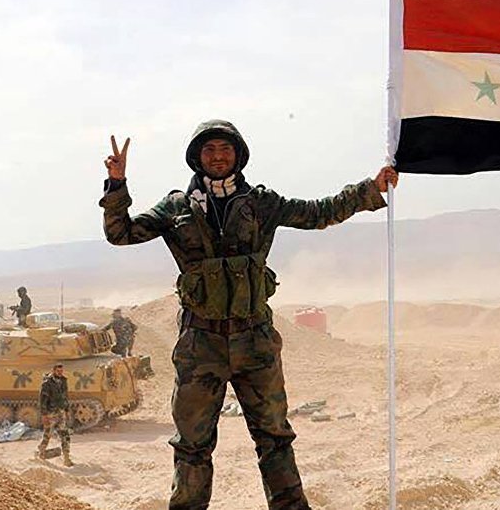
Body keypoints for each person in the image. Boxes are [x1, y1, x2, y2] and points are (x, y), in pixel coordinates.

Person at [98, 121, 398, 509]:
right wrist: (117, 184)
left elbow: (317, 213)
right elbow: (121, 234)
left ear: (238, 155)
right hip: (200, 345)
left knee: (274, 439)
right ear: (197, 158)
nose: (218, 156)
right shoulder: (176, 208)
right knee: (191, 446)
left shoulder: (261, 203)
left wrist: (370, 189)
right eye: (209, 150)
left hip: (254, 341)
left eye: (225, 149)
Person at [37, 363, 73, 467]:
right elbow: (43, 400)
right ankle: (41, 452)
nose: (60, 373)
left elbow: (65, 396)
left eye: (61, 371)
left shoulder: (63, 381)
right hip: (51, 413)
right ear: (53, 371)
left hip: (60, 412)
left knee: (65, 435)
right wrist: (44, 415)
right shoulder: (47, 383)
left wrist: (67, 409)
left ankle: (66, 458)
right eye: (58, 371)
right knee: (47, 435)